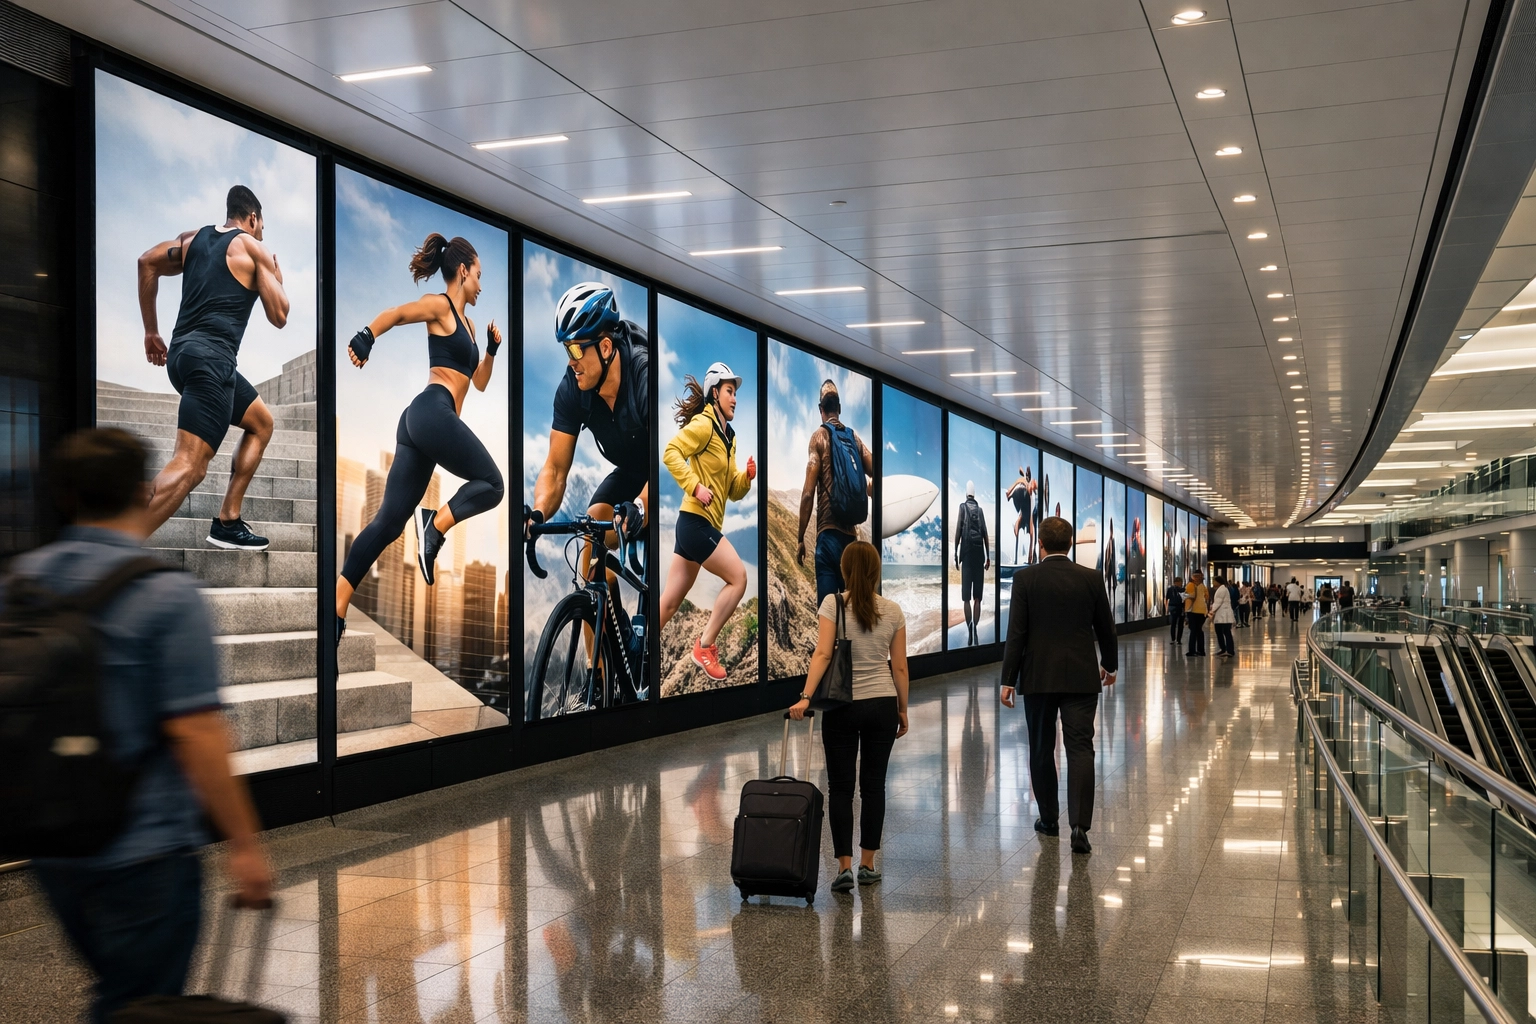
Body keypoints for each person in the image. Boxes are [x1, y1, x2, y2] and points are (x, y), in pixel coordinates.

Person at [6, 429, 271, 1024]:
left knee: (119, 989)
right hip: (145, 850)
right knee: (135, 1002)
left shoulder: (20, 584)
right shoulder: (166, 595)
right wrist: (247, 848)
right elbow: (199, 733)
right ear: (145, 489)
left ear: (68, 498)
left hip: (52, 846)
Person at [336, 234, 504, 639]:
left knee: (388, 523)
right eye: (479, 275)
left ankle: (334, 610)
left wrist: (491, 352)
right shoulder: (441, 307)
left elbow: (477, 383)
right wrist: (367, 336)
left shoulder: (469, 325)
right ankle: (434, 523)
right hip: (431, 412)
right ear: (463, 272)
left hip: (422, 423)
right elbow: (396, 313)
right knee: (494, 485)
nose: (482, 284)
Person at [136, 185, 289, 551]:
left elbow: (147, 262)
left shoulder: (192, 241)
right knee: (190, 465)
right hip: (212, 361)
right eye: (262, 227)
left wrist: (151, 331)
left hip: (182, 356)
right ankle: (116, 547)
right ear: (252, 219)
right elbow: (280, 315)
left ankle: (228, 521)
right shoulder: (254, 249)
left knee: (262, 423)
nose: (262, 234)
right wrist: (274, 274)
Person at [788, 541, 909, 892]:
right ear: (876, 572)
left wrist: (806, 696)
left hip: (841, 706)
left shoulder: (833, 605)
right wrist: (902, 708)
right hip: (882, 704)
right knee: (874, 786)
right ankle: (868, 865)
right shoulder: (893, 610)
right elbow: (899, 666)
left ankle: (843, 868)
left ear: (843, 571)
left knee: (840, 787)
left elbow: (823, 654)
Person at [527, 282, 650, 620]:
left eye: (577, 351)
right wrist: (537, 514)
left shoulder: (643, 374)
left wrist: (640, 505)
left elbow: (670, 465)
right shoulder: (573, 389)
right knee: (591, 531)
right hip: (629, 472)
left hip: (668, 477)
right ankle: (597, 668)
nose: (571, 363)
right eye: (566, 351)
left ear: (606, 346)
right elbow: (554, 470)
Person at [998, 516, 1117, 855]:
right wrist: (1109, 665)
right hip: (1081, 676)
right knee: (1080, 748)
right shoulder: (1091, 578)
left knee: (1040, 746)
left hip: (1038, 676)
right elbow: (1106, 628)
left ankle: (1049, 819)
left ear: (1041, 545)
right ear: (1070, 543)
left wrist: (1008, 679)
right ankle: (1079, 826)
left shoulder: (1026, 579)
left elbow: (1017, 633)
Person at [659, 362, 756, 680]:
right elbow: (671, 452)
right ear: (715, 393)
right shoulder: (703, 425)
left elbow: (731, 491)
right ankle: (705, 645)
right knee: (739, 579)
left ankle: (635, 650)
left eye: (736, 393)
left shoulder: (730, 438)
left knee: (670, 604)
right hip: (695, 522)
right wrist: (694, 486)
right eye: (730, 391)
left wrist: (747, 478)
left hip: (697, 526)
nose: (735, 398)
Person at [796, 379, 873, 603]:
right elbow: (875, 468)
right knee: (852, 617)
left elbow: (808, 494)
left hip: (828, 536)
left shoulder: (818, 438)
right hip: (851, 541)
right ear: (839, 408)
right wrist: (869, 488)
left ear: (821, 409)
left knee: (828, 617)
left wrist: (801, 539)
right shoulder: (854, 438)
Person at [953, 480, 991, 646]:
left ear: (966, 494)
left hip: (967, 554)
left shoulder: (962, 507)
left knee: (966, 598)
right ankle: (975, 626)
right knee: (977, 598)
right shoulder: (980, 510)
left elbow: (958, 531)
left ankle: (970, 629)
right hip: (979, 556)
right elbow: (985, 534)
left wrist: (955, 552)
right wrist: (988, 556)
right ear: (974, 494)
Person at [1004, 465, 1037, 563]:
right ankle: (1016, 559)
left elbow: (1033, 486)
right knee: (1018, 527)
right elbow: (1020, 479)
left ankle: (1031, 555)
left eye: (1028, 473)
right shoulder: (1022, 480)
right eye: (1026, 472)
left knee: (1032, 534)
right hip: (1023, 511)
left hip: (1029, 512)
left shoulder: (1031, 483)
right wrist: (1010, 490)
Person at [1184, 570, 1209, 656]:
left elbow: (1189, 596)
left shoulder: (1190, 585)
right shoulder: (1203, 586)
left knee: (1193, 631)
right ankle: (1201, 650)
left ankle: (1192, 650)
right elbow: (1207, 597)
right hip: (1202, 611)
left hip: (1193, 610)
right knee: (1199, 630)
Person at [1211, 575, 1236, 657]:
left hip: (1224, 615)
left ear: (1218, 582)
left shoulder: (1222, 589)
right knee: (1220, 632)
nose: (1213, 583)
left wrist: (1211, 611)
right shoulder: (1222, 589)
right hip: (1222, 615)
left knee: (1225, 632)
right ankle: (1224, 649)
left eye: (1214, 581)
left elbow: (1218, 602)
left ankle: (1229, 650)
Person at [1102, 517, 1118, 613]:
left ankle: (1112, 601)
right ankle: (1110, 600)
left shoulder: (1112, 543)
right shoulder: (1108, 544)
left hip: (1111, 567)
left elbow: (1112, 556)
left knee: (1112, 584)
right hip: (1109, 567)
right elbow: (1107, 558)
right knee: (1109, 584)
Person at [1165, 575, 1186, 649]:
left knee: (1178, 624)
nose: (1179, 584)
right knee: (1174, 624)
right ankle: (1175, 639)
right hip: (1175, 607)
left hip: (1178, 607)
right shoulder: (1172, 589)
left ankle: (1177, 639)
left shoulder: (1183, 590)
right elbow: (1167, 598)